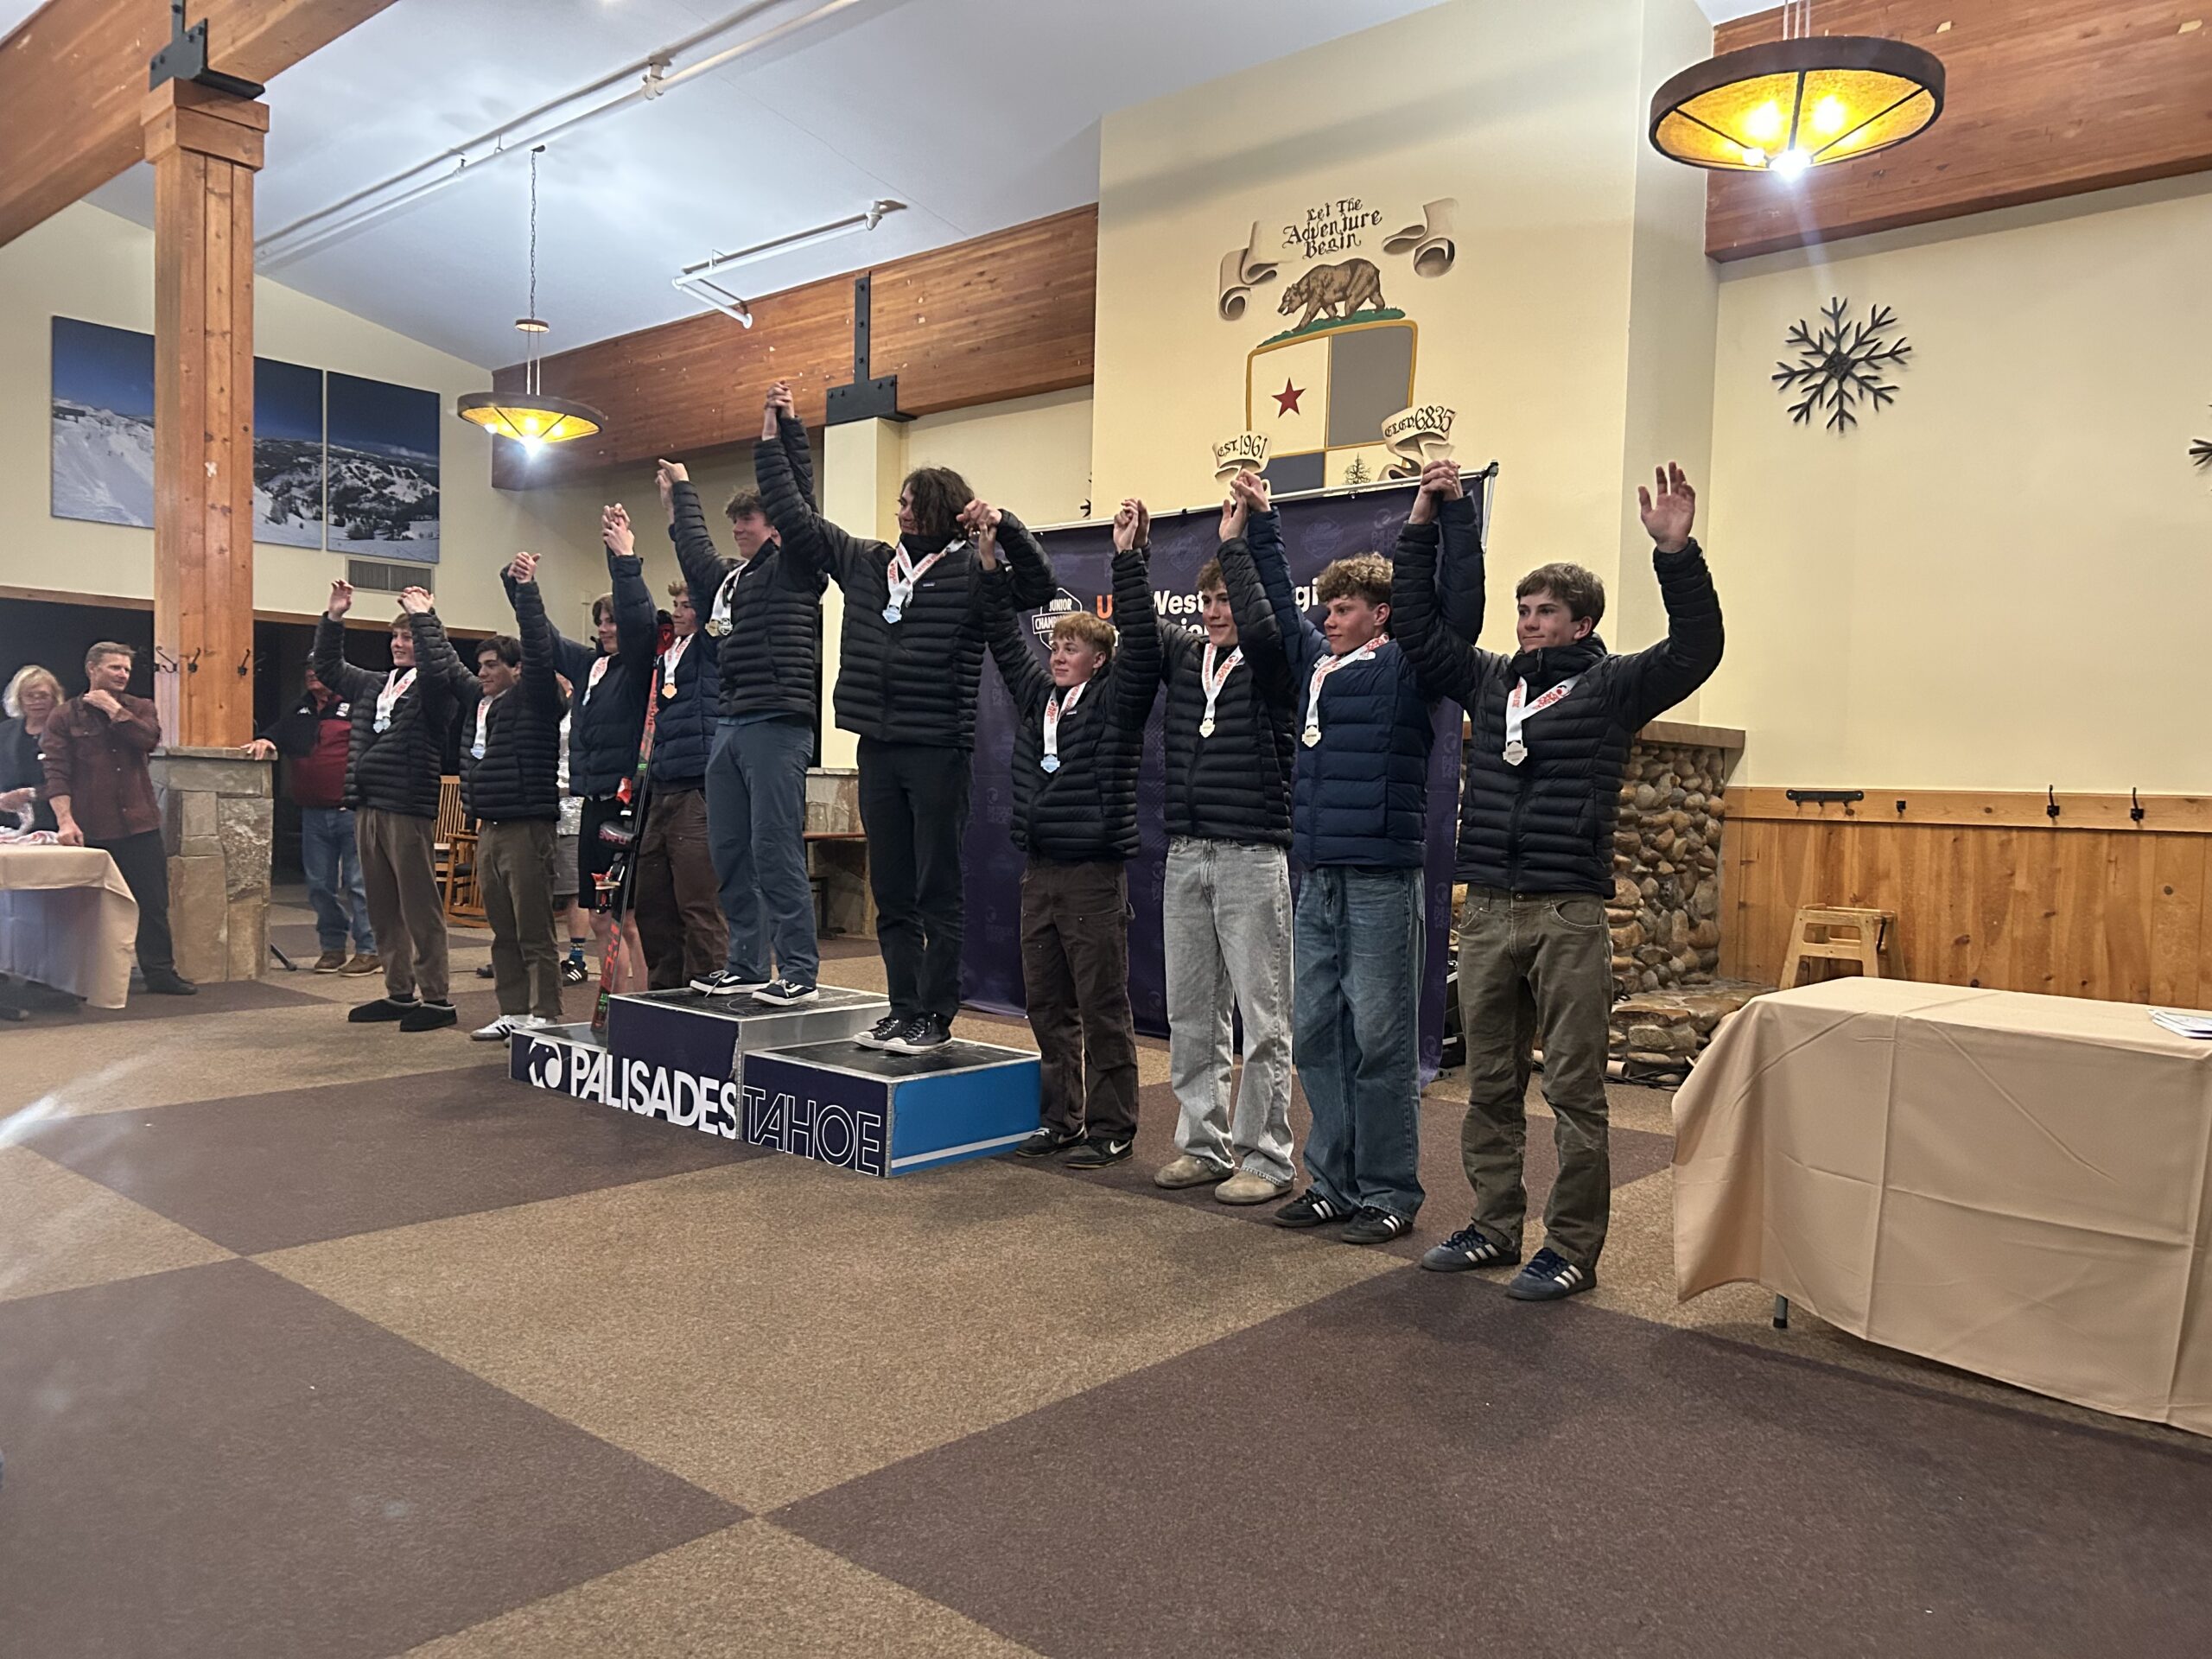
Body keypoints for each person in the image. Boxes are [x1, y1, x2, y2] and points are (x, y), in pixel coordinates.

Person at [1395, 461, 1723, 1302]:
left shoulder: (1614, 687)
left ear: (1582, 622)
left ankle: (1572, 1249)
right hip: (1489, 911)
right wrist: (1426, 522)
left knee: (1574, 1090)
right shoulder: (1491, 681)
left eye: (1544, 611)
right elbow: (1419, 632)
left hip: (1567, 911)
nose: (1529, 622)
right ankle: (1494, 1225)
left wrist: (1676, 554)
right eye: (1523, 610)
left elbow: (1697, 649)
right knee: (1490, 1085)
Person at [754, 385, 1055, 1049]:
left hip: (939, 750)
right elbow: (796, 519)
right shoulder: (867, 562)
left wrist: (1004, 526)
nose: (897, 509)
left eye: (908, 502)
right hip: (878, 746)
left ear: (936, 512)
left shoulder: (972, 574)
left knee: (935, 889)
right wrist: (780, 435)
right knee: (891, 890)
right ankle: (900, 1007)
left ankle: (934, 1017)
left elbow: (1038, 588)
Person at [1224, 469, 1464, 1244]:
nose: (1327, 617)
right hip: (1319, 876)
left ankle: (1389, 1191)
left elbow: (1451, 607)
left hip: (1382, 879)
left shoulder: (1409, 665)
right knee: (1320, 1036)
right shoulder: (1315, 666)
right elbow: (1272, 603)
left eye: (1344, 607)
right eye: (1325, 607)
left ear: (1381, 614)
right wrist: (1256, 528)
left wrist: (1431, 520)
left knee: (1381, 1042)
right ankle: (1332, 1182)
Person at [1115, 494, 1299, 1203]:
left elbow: (1267, 630)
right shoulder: (1187, 655)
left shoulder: (1274, 665)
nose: (1218, 611)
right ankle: (1203, 1144)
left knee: (1264, 1017)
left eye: (1228, 599)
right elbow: (1138, 629)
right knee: (1193, 1013)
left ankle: (1267, 1157)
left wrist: (1237, 543)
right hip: (1188, 852)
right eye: (1210, 600)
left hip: (1252, 854)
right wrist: (1131, 557)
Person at [983, 499, 1159, 1167]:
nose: (1058, 654)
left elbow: (1143, 645)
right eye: (1055, 645)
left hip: (1092, 877)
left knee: (1102, 1005)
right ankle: (1061, 1119)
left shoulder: (1117, 703)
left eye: (1073, 646)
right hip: (1041, 873)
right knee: (1048, 1004)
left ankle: (1113, 1127)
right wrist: (989, 563)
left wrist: (1129, 558)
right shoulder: (1040, 702)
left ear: (1100, 659)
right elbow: (1005, 641)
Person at [661, 385, 821, 1003]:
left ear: (775, 525)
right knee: (729, 849)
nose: (738, 528)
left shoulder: (797, 567)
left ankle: (799, 971)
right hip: (730, 725)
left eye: (748, 520)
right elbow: (695, 552)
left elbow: (799, 493)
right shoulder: (730, 581)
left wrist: (781, 431)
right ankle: (748, 964)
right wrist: (681, 494)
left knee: (774, 848)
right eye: (734, 521)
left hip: (777, 723)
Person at [404, 561, 567, 1040]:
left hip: (527, 826)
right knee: (503, 930)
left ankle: (545, 1012)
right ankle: (513, 1010)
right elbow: (446, 665)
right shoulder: (481, 701)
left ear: (518, 670)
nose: (483, 672)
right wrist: (424, 617)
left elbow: (538, 643)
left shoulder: (536, 697)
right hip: (490, 827)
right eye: (481, 665)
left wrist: (525, 589)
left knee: (534, 928)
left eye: (493, 665)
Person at [317, 582, 463, 1031]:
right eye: (395, 637)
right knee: (381, 907)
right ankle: (399, 991)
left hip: (407, 804)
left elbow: (438, 670)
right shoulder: (374, 684)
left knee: (419, 907)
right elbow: (328, 667)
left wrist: (424, 618)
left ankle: (437, 997)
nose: (399, 644)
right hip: (368, 803)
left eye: (408, 638)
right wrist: (334, 618)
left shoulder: (435, 691)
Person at [42, 642, 194, 995]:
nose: (123, 674)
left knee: (152, 903)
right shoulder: (64, 716)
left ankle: (160, 973)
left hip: (140, 823)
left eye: (126, 669)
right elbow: (56, 772)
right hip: (89, 826)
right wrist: (65, 821)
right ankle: (79, 976)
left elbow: (148, 739)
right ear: (92, 669)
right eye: (115, 668)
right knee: (84, 907)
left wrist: (113, 709)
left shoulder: (141, 708)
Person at [547, 509, 657, 993]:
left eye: (613, 620)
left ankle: (646, 1003)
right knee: (598, 916)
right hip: (591, 799)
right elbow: (546, 641)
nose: (606, 627)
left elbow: (638, 621)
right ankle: (614, 999)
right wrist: (522, 589)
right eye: (600, 621)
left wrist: (622, 557)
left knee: (629, 916)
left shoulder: (636, 668)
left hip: (625, 800)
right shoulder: (589, 667)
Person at [247, 665, 378, 974]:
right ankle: (332, 948)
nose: (311, 674)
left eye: (318, 668)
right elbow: (279, 732)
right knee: (319, 886)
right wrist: (265, 739)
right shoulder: (301, 708)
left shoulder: (357, 705)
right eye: (307, 669)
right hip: (312, 811)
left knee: (359, 884)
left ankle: (369, 950)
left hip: (352, 810)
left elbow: (375, 752)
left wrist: (364, 794)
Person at [633, 566, 728, 990]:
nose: (677, 612)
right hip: (660, 786)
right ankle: (664, 991)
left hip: (697, 787)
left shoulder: (710, 648)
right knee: (652, 901)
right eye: (675, 604)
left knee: (698, 901)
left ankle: (708, 989)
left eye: (687, 605)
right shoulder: (665, 654)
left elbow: (714, 604)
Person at [1, 664, 64, 832]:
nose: (36, 702)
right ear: (19, 699)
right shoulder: (4, 731)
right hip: (9, 821)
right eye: (30, 696)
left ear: (54, 698)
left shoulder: (65, 731)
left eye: (43, 696)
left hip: (55, 819)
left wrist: (29, 794)